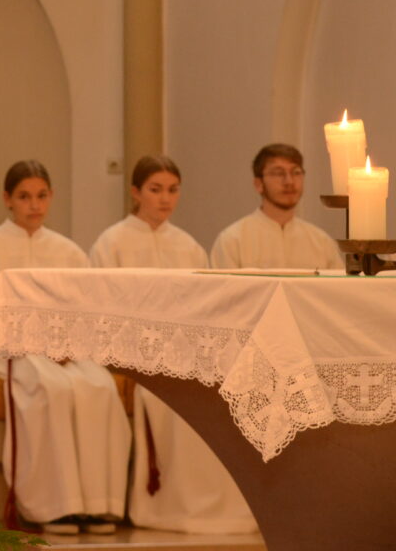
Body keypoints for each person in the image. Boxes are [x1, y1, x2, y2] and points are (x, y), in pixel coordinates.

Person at [90, 156, 257, 534]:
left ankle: (219, 506)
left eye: (173, 190)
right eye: (155, 189)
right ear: (135, 192)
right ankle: (170, 505)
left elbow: (206, 311)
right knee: (168, 399)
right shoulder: (111, 243)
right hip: (131, 355)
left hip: (186, 353)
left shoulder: (190, 248)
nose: (165, 199)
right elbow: (100, 311)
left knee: (221, 389)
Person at [0, 160, 129, 536]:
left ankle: (98, 504)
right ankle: (53, 506)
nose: (34, 205)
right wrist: (34, 345)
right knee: (49, 387)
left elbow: (86, 314)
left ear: (51, 197)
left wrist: (67, 343)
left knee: (99, 388)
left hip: (68, 351)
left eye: (41, 196)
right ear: (7, 199)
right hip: (8, 351)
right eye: (24, 197)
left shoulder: (69, 252)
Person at [210, 144, 341, 270]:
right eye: (279, 173)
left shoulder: (322, 242)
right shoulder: (233, 240)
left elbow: (338, 291)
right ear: (258, 184)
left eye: (296, 172)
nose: (289, 181)